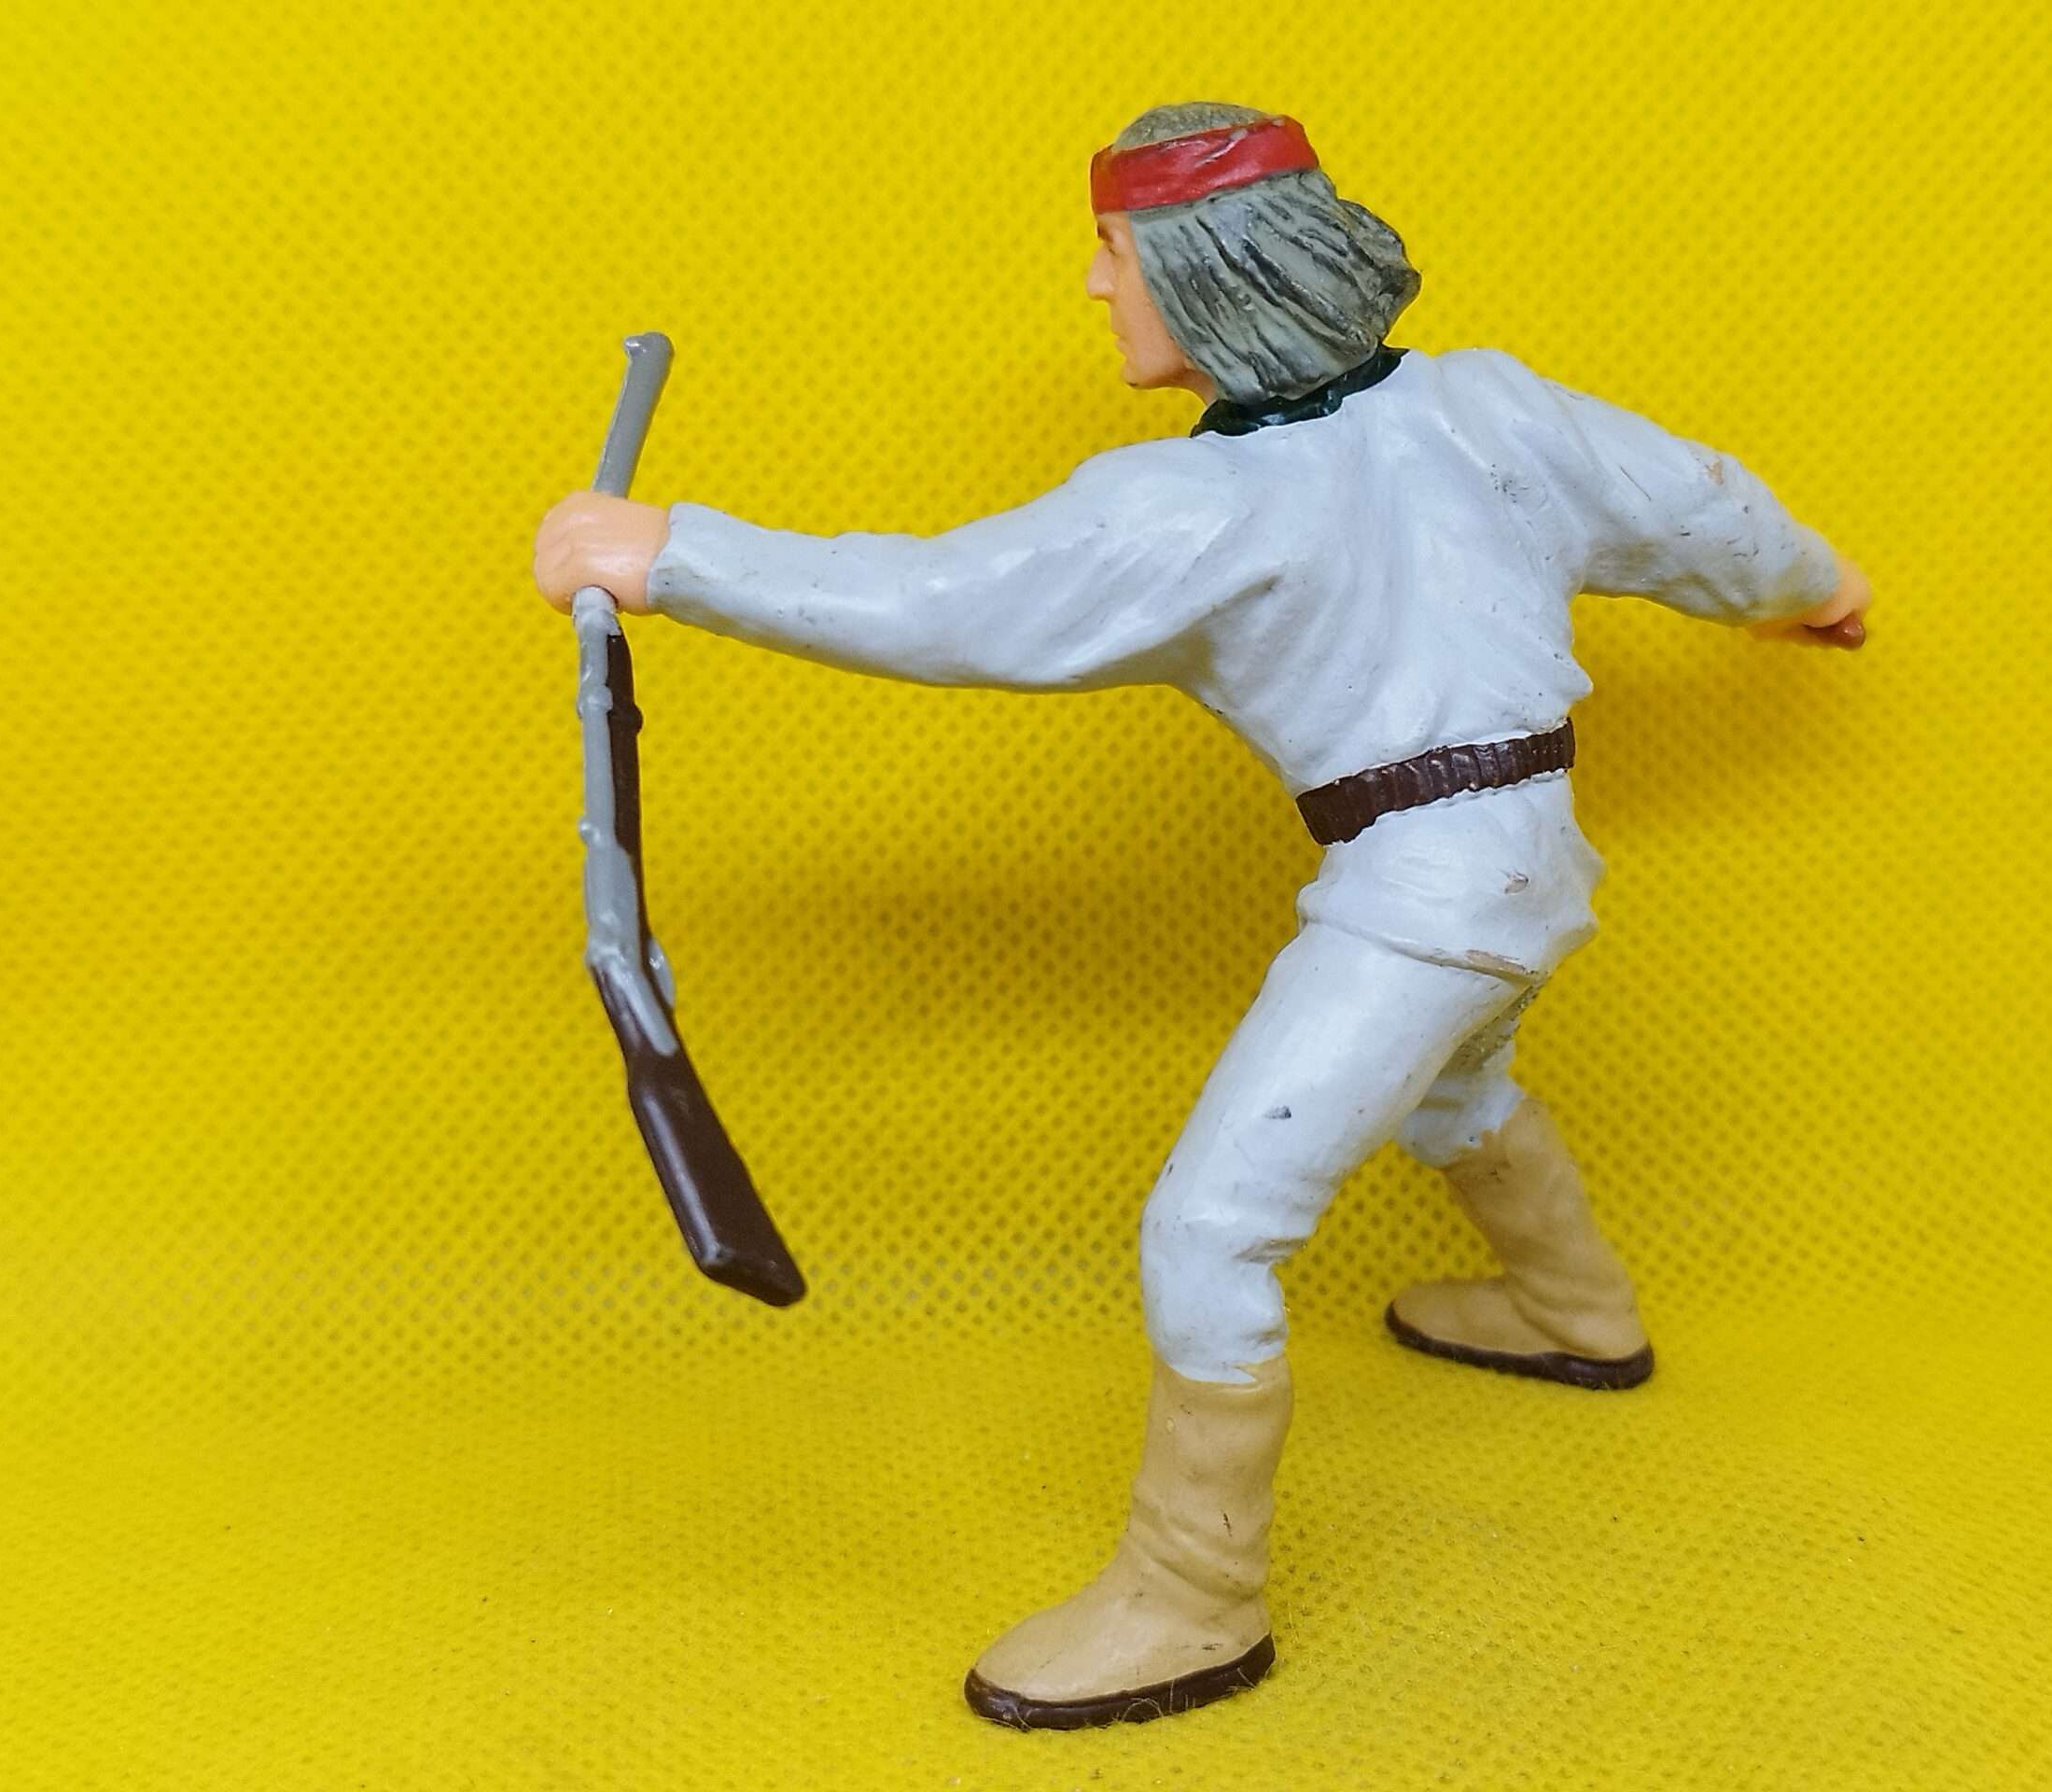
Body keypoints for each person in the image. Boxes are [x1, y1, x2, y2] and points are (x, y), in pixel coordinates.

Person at [534, 101, 1873, 1730]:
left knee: (1211, 1231)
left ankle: (1192, 1596)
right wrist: (1812, 587)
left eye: (1112, 251)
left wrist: (671, 555)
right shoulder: (1490, 405)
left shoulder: (1194, 510)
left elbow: (941, 601)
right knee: (1456, 1085)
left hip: (1424, 893)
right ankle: (1570, 1307)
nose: (1097, 287)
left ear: (1202, 267)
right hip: (1524, 855)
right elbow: (1701, 508)